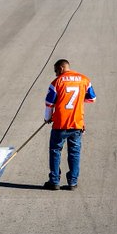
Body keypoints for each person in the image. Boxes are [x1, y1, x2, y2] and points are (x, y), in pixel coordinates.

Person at [44, 58, 96, 190]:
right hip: (77, 123)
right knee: (74, 153)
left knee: (55, 151)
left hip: (60, 124)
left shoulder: (57, 82)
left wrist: (47, 118)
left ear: (61, 68)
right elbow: (92, 98)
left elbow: (49, 103)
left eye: (56, 71)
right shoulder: (84, 80)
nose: (56, 74)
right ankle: (72, 182)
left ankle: (54, 181)